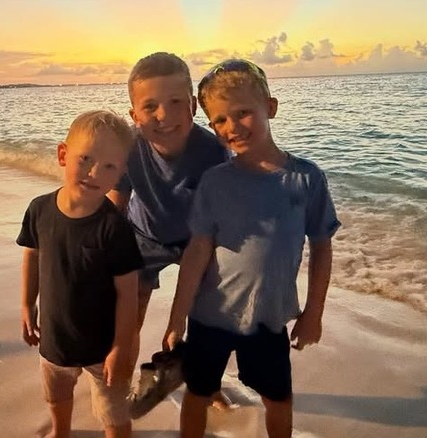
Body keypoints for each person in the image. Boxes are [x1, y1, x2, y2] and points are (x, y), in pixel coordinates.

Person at [162, 59, 341, 438]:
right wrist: (177, 317)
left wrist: (314, 312)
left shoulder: (306, 178)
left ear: (270, 108)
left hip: (268, 318)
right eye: (219, 120)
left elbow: (322, 246)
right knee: (198, 391)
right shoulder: (215, 182)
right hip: (211, 315)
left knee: (278, 397)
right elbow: (197, 251)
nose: (232, 127)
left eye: (243, 113)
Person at [106, 52, 232, 408]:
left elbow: (220, 220)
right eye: (150, 107)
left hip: (198, 239)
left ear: (192, 105)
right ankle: (121, 379)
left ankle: (207, 381)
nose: (164, 115)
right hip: (143, 235)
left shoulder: (214, 153)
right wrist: (101, 254)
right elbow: (114, 206)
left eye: (176, 102)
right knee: (129, 315)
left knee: (208, 314)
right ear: (134, 116)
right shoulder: (129, 148)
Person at [17, 110, 143, 438]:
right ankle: (61, 432)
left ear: (121, 173)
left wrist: (121, 348)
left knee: (114, 414)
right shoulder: (39, 210)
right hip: (55, 339)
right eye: (85, 159)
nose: (94, 172)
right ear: (63, 154)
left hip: (103, 347)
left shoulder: (114, 228)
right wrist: (27, 304)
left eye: (109, 166)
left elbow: (128, 294)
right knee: (57, 396)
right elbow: (32, 254)